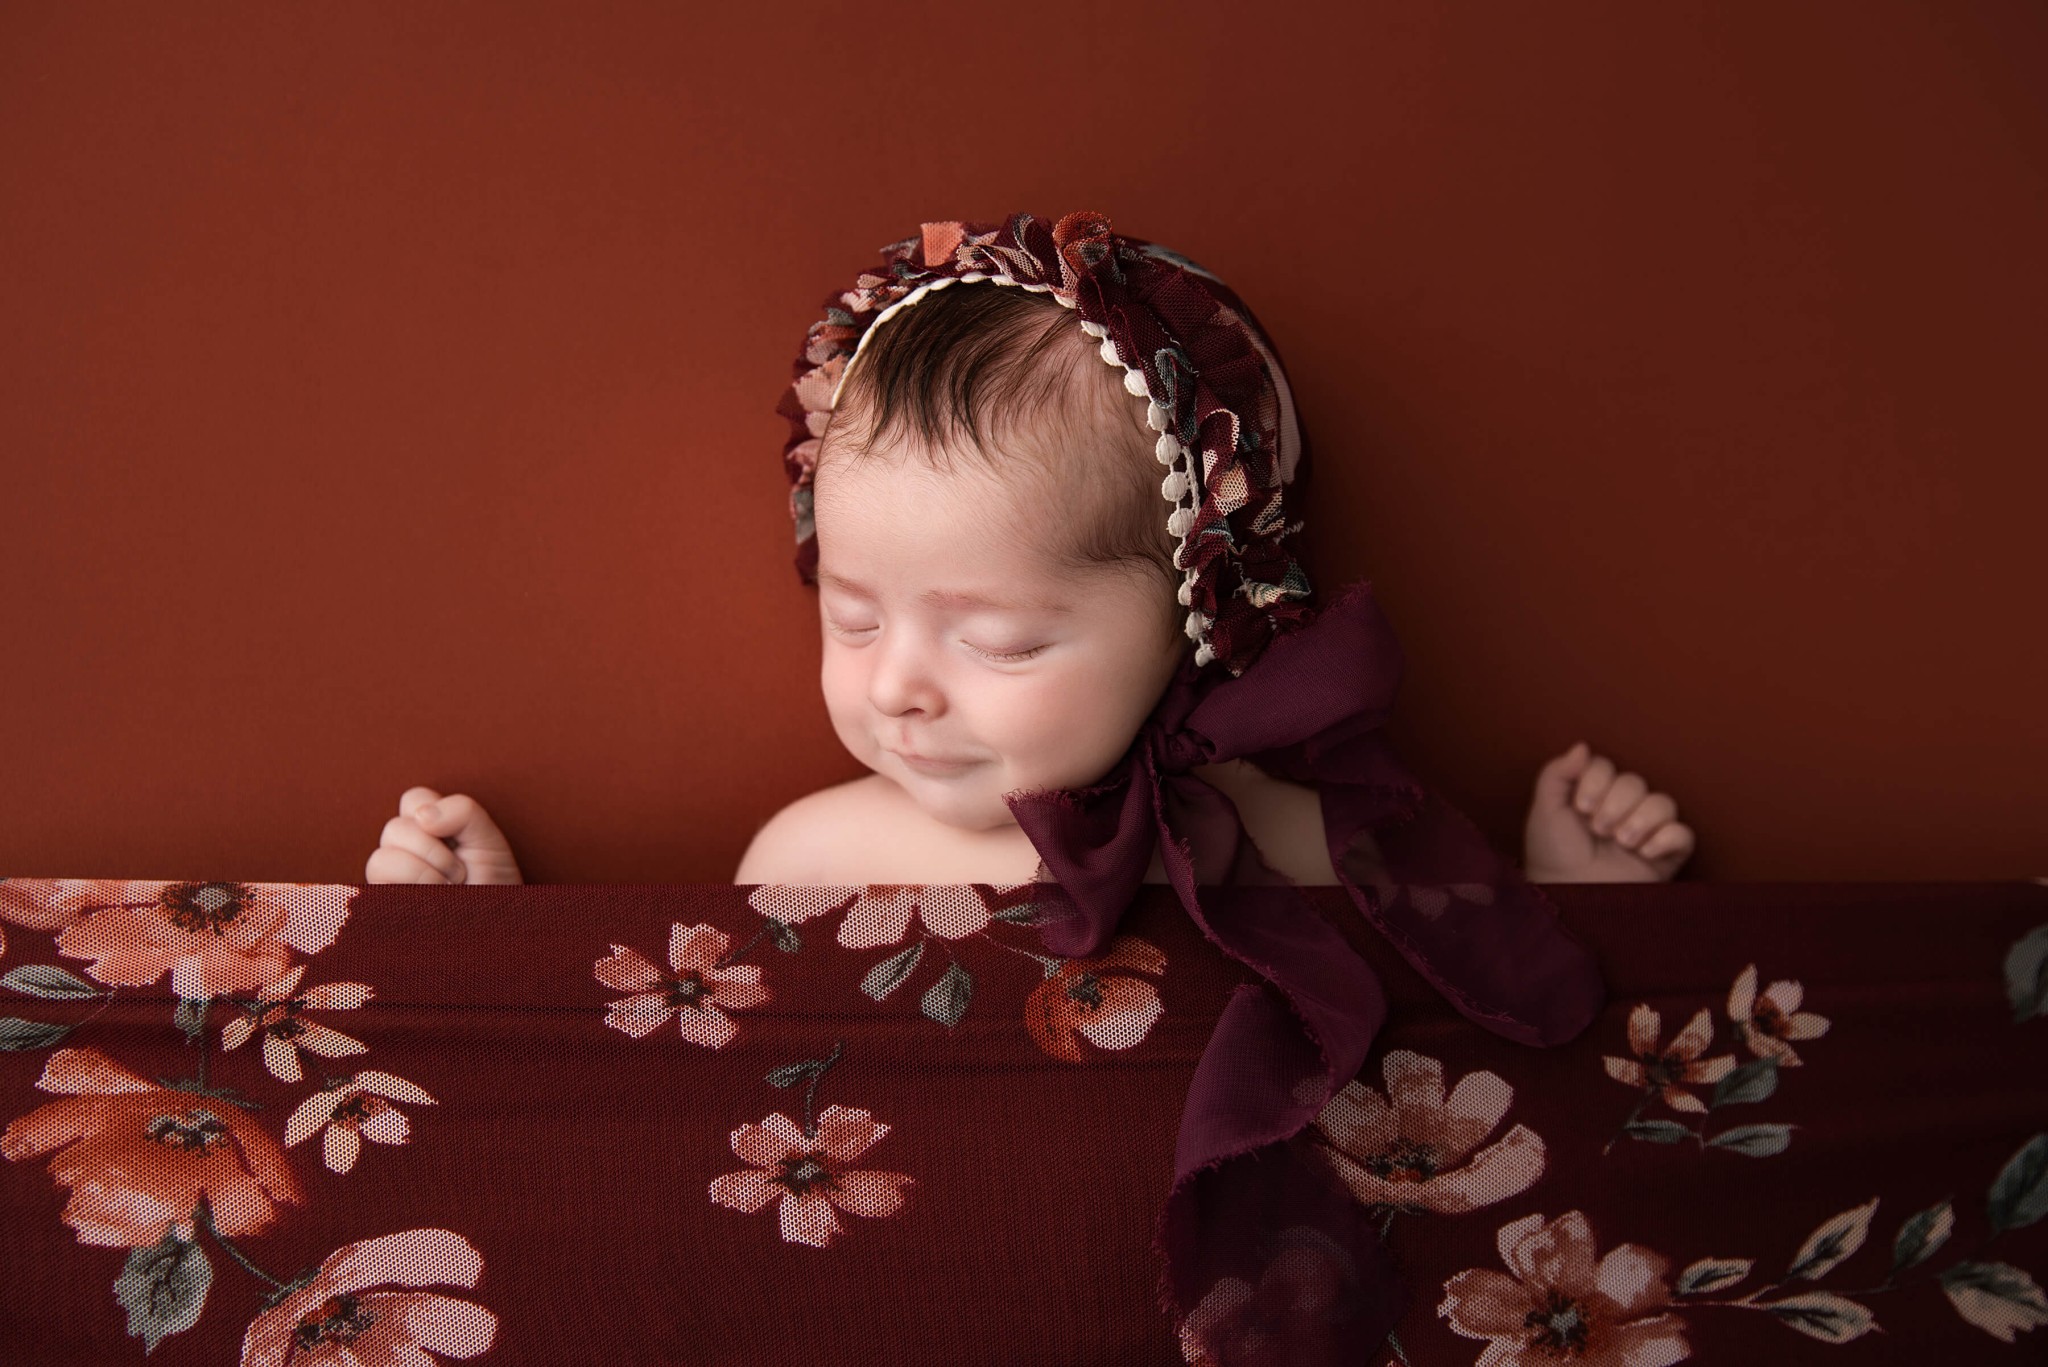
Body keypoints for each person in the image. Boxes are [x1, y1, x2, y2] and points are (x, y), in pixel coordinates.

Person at [363, 221, 1694, 894]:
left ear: (1202, 608)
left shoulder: (1289, 836)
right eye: (854, 618)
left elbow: (1469, 1009)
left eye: (995, 639)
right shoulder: (817, 854)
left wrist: (1574, 896)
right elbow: (698, 1087)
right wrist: (493, 926)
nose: (899, 692)